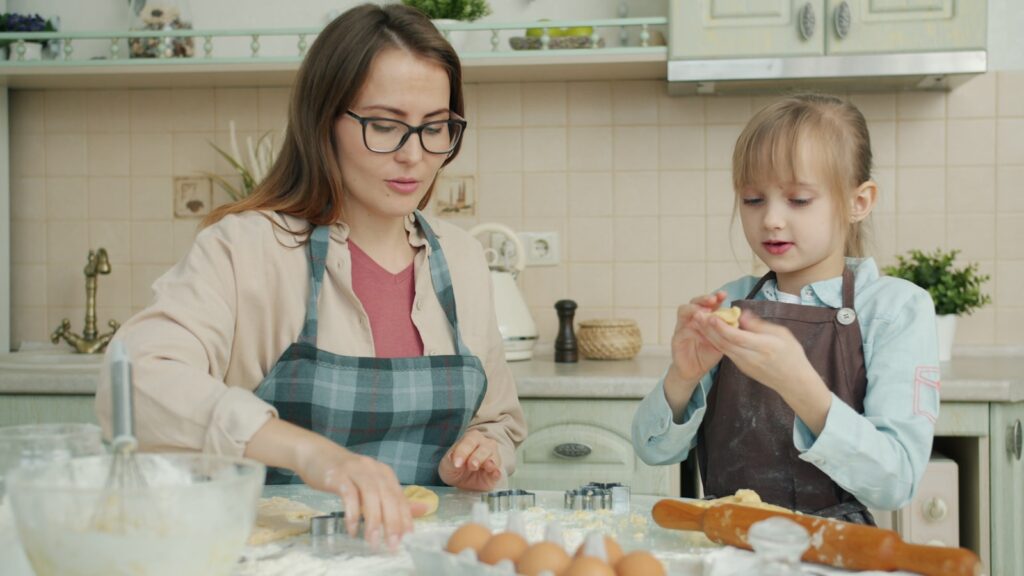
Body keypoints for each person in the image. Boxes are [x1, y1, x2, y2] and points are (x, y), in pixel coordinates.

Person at [95, 3, 526, 549]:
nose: (415, 155)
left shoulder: (461, 258)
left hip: (423, 557)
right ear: (324, 121)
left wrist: (482, 454)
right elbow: (131, 383)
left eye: (436, 128)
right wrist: (311, 453)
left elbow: (499, 422)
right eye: (386, 125)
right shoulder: (247, 248)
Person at [632, 94, 939, 524]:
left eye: (798, 200)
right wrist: (681, 378)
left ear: (859, 202)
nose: (771, 219)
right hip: (727, 548)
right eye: (753, 199)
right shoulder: (732, 302)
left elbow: (895, 482)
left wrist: (800, 385)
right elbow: (651, 449)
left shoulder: (895, 310)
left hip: (832, 555)